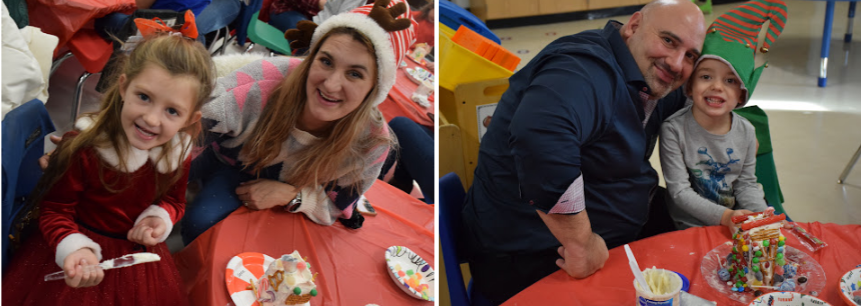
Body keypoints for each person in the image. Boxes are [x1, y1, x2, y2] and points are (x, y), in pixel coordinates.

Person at [459, 0, 706, 303]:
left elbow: (706, 100)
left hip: (608, 229)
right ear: (634, 26)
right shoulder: (583, 68)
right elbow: (540, 142)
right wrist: (581, 243)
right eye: (668, 40)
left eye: (691, 55)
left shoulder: (651, 74)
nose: (677, 62)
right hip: (531, 254)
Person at [1, 34, 214, 305]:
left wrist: (160, 219)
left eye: (172, 111)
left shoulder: (177, 153)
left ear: (191, 118)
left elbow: (174, 200)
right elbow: (55, 210)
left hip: (137, 261)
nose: (151, 118)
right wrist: (73, 249)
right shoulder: (87, 149)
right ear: (124, 87)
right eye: (144, 97)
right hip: (80, 253)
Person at [178, 1, 411, 244]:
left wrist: (293, 196)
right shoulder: (264, 80)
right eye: (326, 61)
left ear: (375, 88)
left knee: (214, 228)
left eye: (354, 74)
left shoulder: (371, 142)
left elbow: (338, 205)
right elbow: (192, 126)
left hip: (282, 187)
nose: (330, 85)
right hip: (223, 154)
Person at [660, 1, 786, 231]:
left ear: (742, 95)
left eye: (730, 81)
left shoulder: (746, 131)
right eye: (706, 77)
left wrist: (760, 218)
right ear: (689, 87)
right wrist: (727, 216)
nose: (717, 87)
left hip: (736, 223)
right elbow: (680, 192)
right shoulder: (673, 130)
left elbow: (746, 185)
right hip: (688, 227)